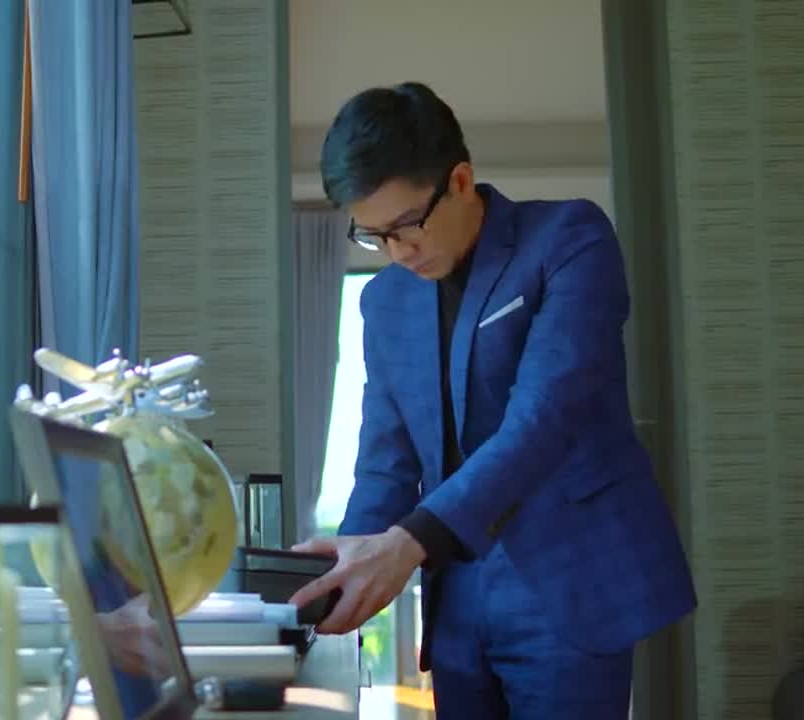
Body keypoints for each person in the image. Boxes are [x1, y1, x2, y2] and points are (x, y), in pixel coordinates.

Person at [288, 82, 697, 718]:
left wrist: (406, 544)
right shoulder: (384, 301)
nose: (398, 252)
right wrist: (338, 577)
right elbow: (385, 464)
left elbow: (544, 418)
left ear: (459, 181)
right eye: (374, 236)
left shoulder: (569, 239)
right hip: (454, 592)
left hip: (567, 580)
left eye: (407, 226)